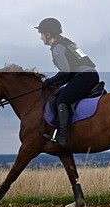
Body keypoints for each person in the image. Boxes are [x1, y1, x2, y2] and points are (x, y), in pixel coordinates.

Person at [36, 18, 99, 148]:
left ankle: (62, 136)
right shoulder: (66, 43)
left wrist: (50, 81)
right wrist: (54, 85)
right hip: (90, 75)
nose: (41, 38)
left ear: (48, 34)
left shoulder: (57, 48)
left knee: (62, 100)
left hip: (83, 76)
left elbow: (65, 71)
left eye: (42, 34)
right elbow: (69, 74)